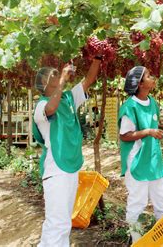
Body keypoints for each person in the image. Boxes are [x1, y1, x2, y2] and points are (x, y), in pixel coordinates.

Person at [33, 57, 102, 246]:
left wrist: (97, 57)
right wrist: (62, 80)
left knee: (63, 224)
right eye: (54, 75)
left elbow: (88, 80)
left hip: (70, 168)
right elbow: (51, 108)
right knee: (58, 223)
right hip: (56, 169)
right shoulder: (41, 106)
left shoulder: (69, 99)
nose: (59, 74)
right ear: (45, 83)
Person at [118, 66, 163, 243]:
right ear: (140, 83)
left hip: (154, 160)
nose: (153, 77)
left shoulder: (152, 102)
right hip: (137, 162)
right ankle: (137, 240)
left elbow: (154, 125)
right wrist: (149, 131)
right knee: (137, 204)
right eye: (149, 76)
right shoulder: (130, 106)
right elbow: (125, 136)